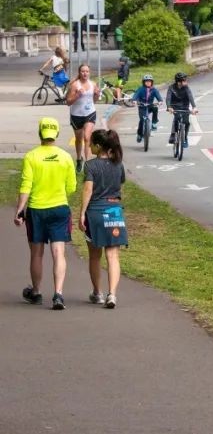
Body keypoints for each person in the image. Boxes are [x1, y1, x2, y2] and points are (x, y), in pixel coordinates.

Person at [15, 117, 77, 310]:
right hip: (59, 208)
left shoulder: (31, 156)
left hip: (36, 210)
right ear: (57, 134)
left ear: (40, 133)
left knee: (37, 254)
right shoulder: (65, 157)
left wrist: (20, 209)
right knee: (59, 253)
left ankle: (36, 292)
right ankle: (58, 294)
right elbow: (72, 187)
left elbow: (26, 185)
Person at [80, 129, 127, 308]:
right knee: (113, 255)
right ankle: (112, 294)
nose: (89, 146)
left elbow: (87, 190)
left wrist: (82, 213)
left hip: (95, 213)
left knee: (94, 255)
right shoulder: (118, 164)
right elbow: (120, 182)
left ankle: (97, 292)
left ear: (98, 146)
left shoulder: (91, 166)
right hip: (115, 211)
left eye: (91, 143)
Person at [66, 63, 100, 172]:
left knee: (87, 137)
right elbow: (68, 102)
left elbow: (94, 101)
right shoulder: (75, 85)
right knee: (79, 139)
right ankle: (79, 159)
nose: (85, 73)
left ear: (89, 73)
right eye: (83, 71)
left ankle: (88, 163)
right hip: (76, 115)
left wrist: (96, 94)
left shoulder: (93, 84)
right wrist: (77, 95)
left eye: (87, 71)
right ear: (79, 73)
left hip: (90, 113)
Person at [166, 73, 198, 148]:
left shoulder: (186, 87)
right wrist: (169, 107)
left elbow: (190, 96)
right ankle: (173, 134)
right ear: (179, 82)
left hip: (185, 106)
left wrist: (194, 107)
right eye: (184, 80)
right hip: (174, 106)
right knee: (176, 118)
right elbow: (168, 98)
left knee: (186, 122)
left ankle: (185, 138)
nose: (186, 82)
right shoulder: (171, 87)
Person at [132, 74, 162, 142]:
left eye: (149, 81)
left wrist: (160, 101)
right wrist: (134, 100)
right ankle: (139, 134)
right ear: (143, 82)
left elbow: (158, 96)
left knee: (155, 108)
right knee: (142, 120)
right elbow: (135, 95)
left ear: (152, 82)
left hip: (150, 105)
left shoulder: (154, 90)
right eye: (146, 81)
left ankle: (154, 124)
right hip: (142, 106)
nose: (148, 83)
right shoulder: (140, 89)